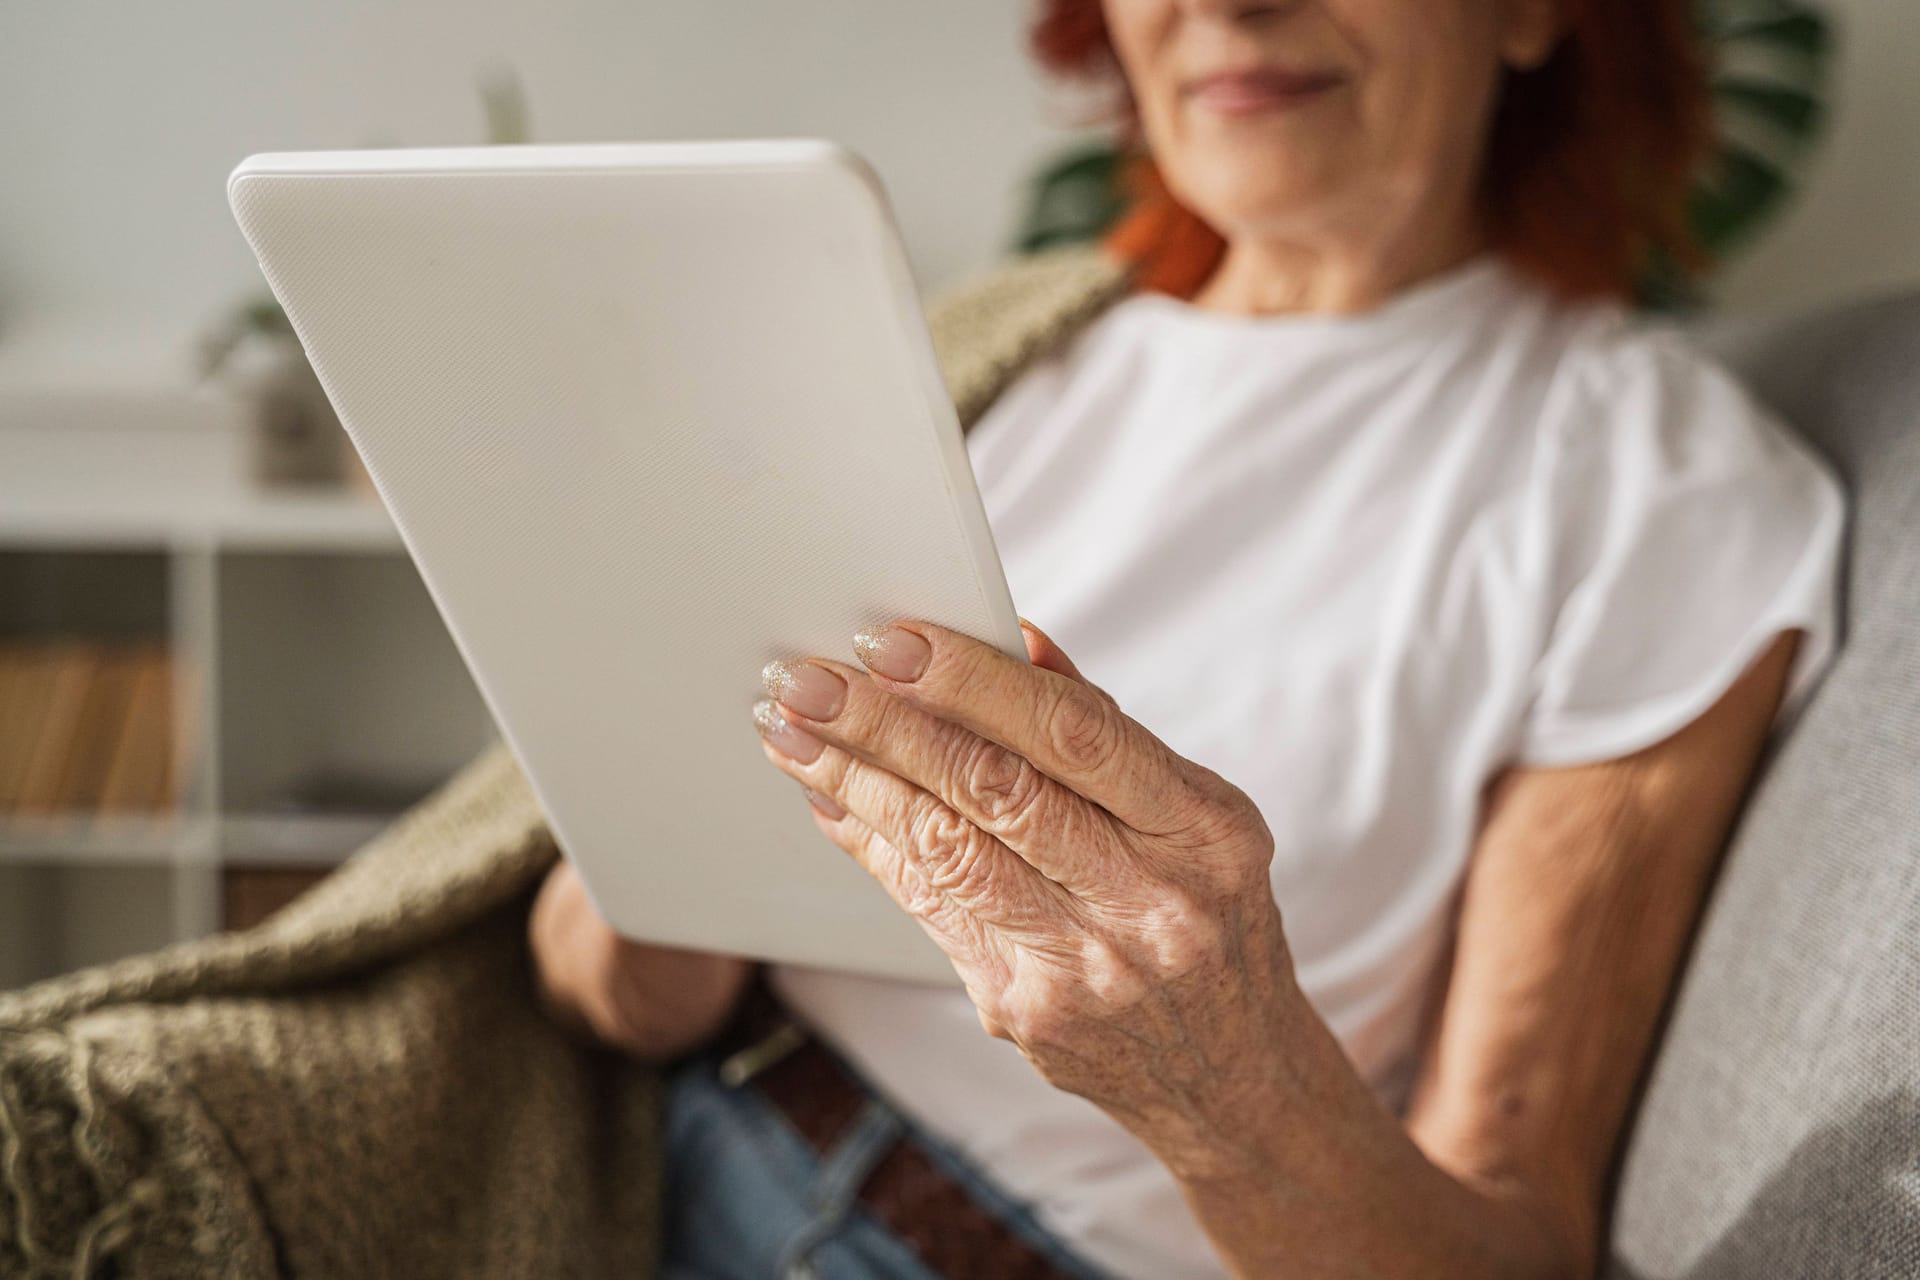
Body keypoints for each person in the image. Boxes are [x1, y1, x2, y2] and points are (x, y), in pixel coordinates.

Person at [531, 1, 1847, 1276]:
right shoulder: (988, 353)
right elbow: (605, 977)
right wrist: (650, 898)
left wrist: (1222, 1079)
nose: (1227, 3)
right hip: (615, 1157)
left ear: (1532, 11)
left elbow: (1509, 1242)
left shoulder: (1657, 488)